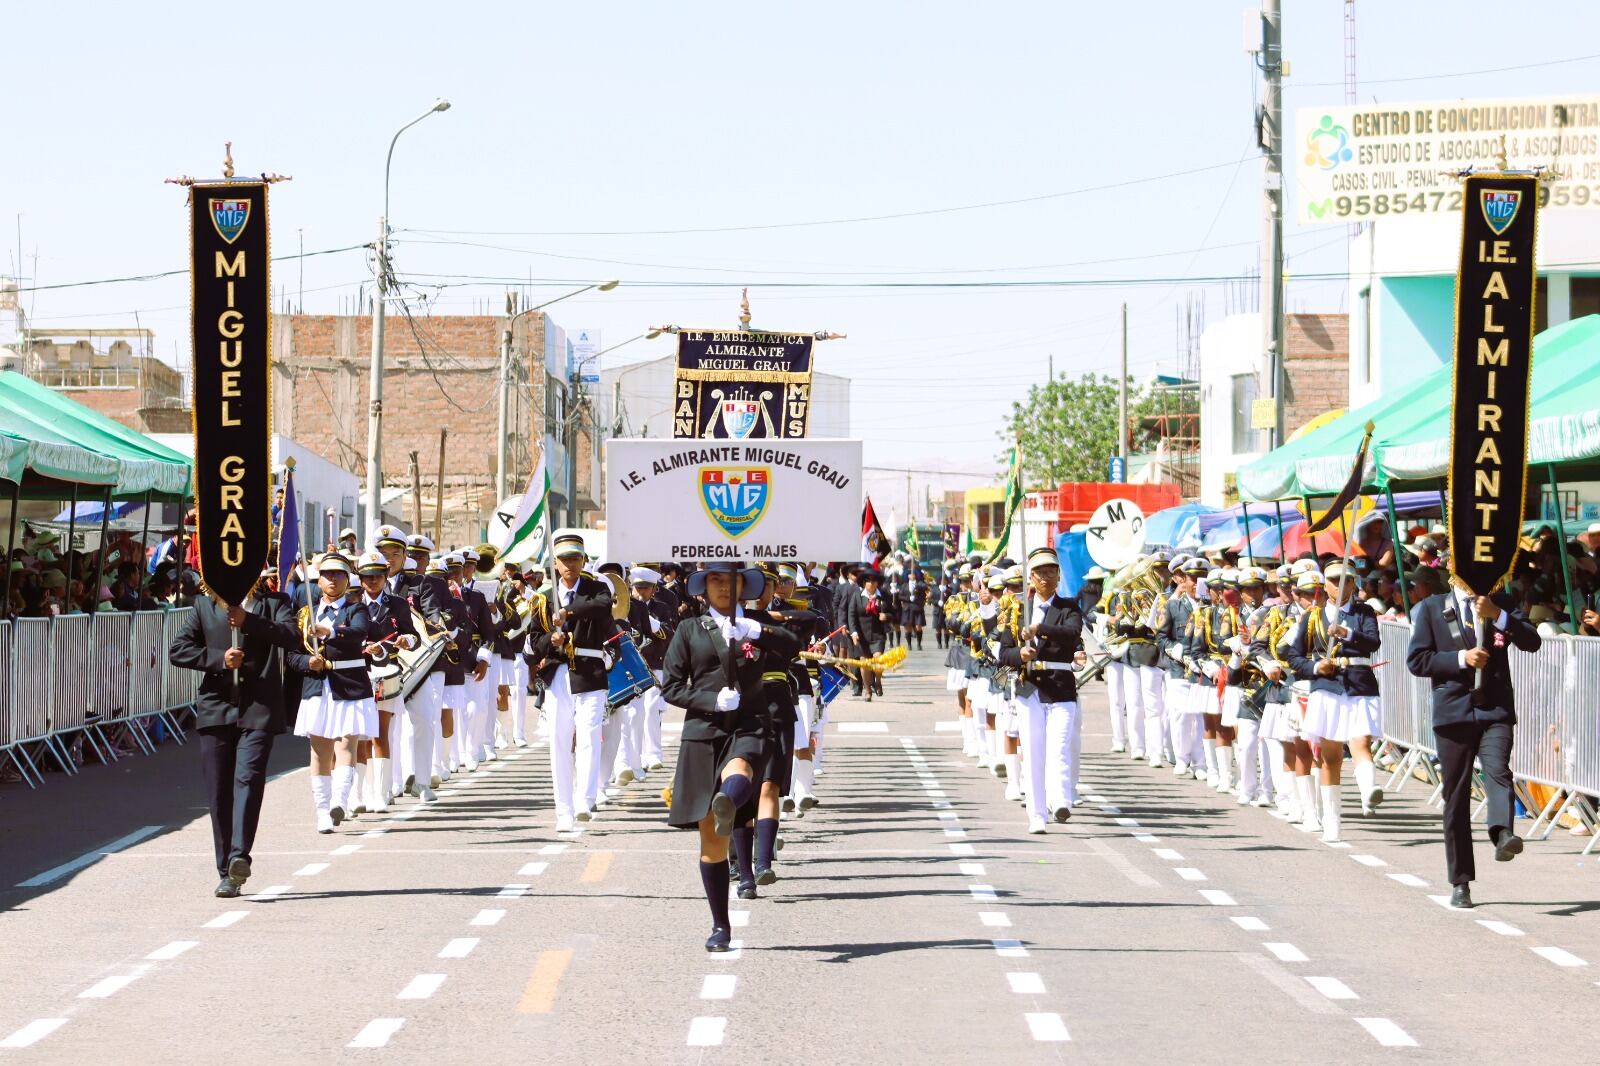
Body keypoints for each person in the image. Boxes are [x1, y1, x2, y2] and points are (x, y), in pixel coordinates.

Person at [662, 560, 801, 951]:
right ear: (704, 587)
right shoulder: (689, 629)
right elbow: (671, 685)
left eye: (732, 581)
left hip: (751, 724)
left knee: (739, 769)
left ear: (745, 586)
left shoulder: (756, 625)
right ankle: (720, 925)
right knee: (711, 841)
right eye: (717, 580)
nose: (724, 588)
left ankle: (730, 801)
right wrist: (710, 699)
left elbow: (793, 645)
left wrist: (757, 629)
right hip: (704, 729)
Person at [1406, 577, 1542, 908]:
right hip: (1453, 712)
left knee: (1498, 771)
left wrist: (1498, 615)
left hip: (1494, 709)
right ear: (1452, 575)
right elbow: (1418, 660)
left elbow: (1531, 641)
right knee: (1456, 797)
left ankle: (1502, 834)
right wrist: (1460, 659)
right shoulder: (1431, 608)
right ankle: (1461, 881)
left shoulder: (1501, 603)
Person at [168, 568, 299, 896]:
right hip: (216, 708)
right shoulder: (204, 606)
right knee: (218, 791)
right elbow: (178, 650)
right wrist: (218, 660)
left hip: (258, 709)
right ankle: (226, 868)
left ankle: (240, 856)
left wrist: (248, 621)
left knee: (248, 780)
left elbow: (291, 637)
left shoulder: (274, 602)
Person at [1285, 562, 1381, 843]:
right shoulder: (1312, 617)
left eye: (1346, 580)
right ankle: (1332, 821)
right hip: (1327, 686)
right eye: (1334, 580)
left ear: (1353, 584)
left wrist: (1347, 633)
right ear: (1324, 585)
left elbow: (1373, 643)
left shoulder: (1364, 612)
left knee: (1361, 742)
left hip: (1359, 682)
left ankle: (1369, 792)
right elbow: (1294, 656)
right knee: (1330, 756)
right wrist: (1316, 668)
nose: (1340, 586)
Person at [527, 532, 615, 831]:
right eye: (564, 559)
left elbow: (602, 607)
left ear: (583, 560)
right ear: (554, 563)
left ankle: (584, 799)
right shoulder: (542, 598)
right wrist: (551, 641)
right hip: (557, 675)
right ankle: (563, 810)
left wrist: (568, 612)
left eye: (575, 558)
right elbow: (533, 642)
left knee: (590, 735)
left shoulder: (596, 588)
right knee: (559, 742)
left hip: (590, 672)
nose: (570, 565)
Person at [287, 553, 377, 832]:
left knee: (347, 744)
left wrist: (330, 632)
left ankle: (340, 800)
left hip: (349, 684)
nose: (332, 579)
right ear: (318, 580)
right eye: (327, 574)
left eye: (338, 574)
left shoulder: (355, 609)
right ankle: (322, 811)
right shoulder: (305, 615)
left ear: (347, 579)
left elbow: (360, 632)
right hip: (317, 686)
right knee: (320, 750)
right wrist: (307, 662)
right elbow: (292, 655)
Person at [999, 547, 1084, 833]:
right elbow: (1004, 652)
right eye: (1040, 573)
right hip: (1029, 687)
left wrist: (1039, 629)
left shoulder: (1069, 606)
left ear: (1058, 576)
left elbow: (1072, 634)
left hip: (1060, 686)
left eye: (1051, 571)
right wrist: (1019, 655)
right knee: (1034, 752)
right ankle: (1037, 814)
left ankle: (1060, 799)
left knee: (1059, 746)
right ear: (1031, 578)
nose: (1045, 577)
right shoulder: (1017, 609)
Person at [849, 569, 890, 699]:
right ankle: (868, 690)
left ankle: (878, 681)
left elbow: (895, 612)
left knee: (878, 659)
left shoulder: (884, 595)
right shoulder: (856, 596)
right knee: (865, 664)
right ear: (864, 583)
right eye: (868, 581)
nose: (871, 584)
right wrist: (854, 632)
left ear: (877, 583)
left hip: (878, 635)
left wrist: (887, 616)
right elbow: (851, 615)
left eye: (873, 581)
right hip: (862, 635)